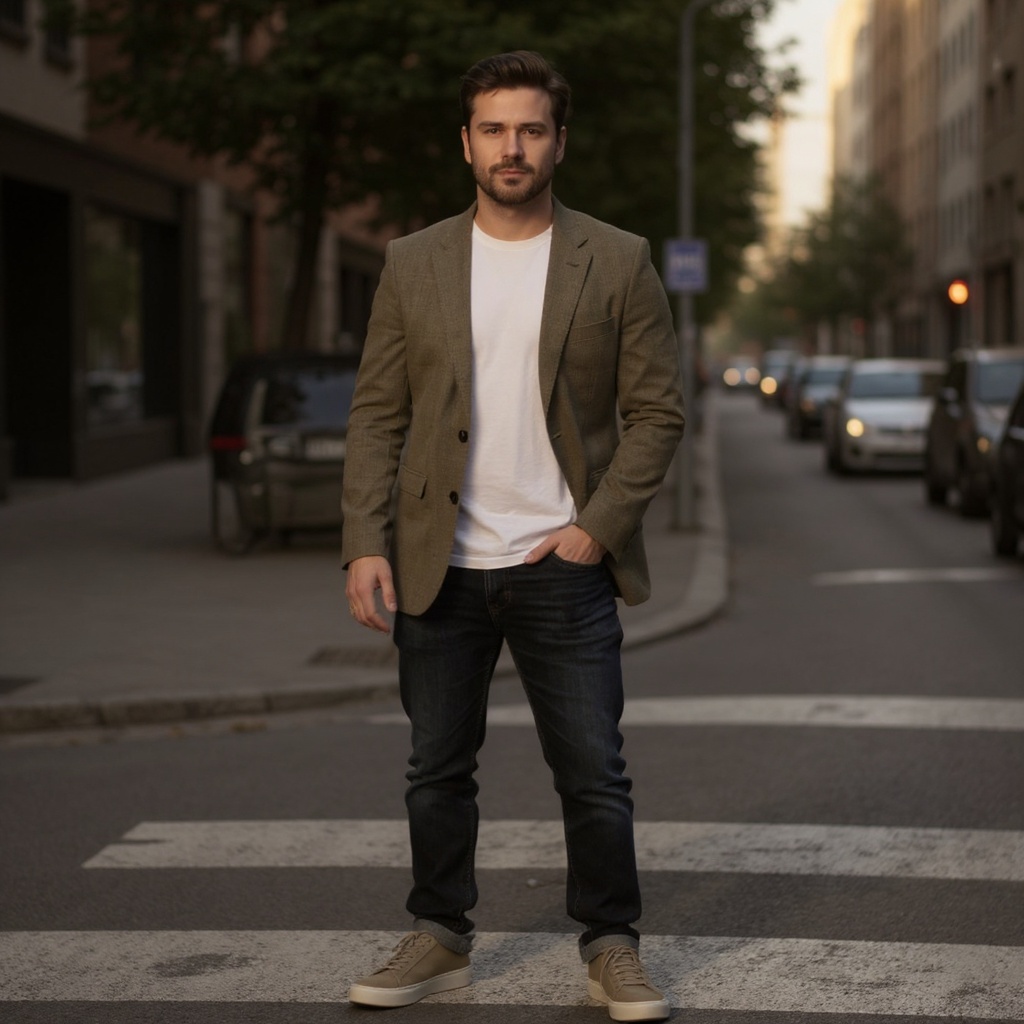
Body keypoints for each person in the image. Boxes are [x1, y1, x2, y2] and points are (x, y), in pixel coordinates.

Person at [341, 50, 685, 1022]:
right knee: (434, 769)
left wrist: (594, 531)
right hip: (437, 565)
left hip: (558, 564)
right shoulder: (413, 261)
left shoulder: (615, 258)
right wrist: (363, 540)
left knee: (592, 769)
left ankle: (610, 944)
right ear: (465, 143)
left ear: (558, 142)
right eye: (493, 129)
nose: (512, 147)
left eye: (530, 129)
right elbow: (376, 412)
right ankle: (439, 936)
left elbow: (658, 413)